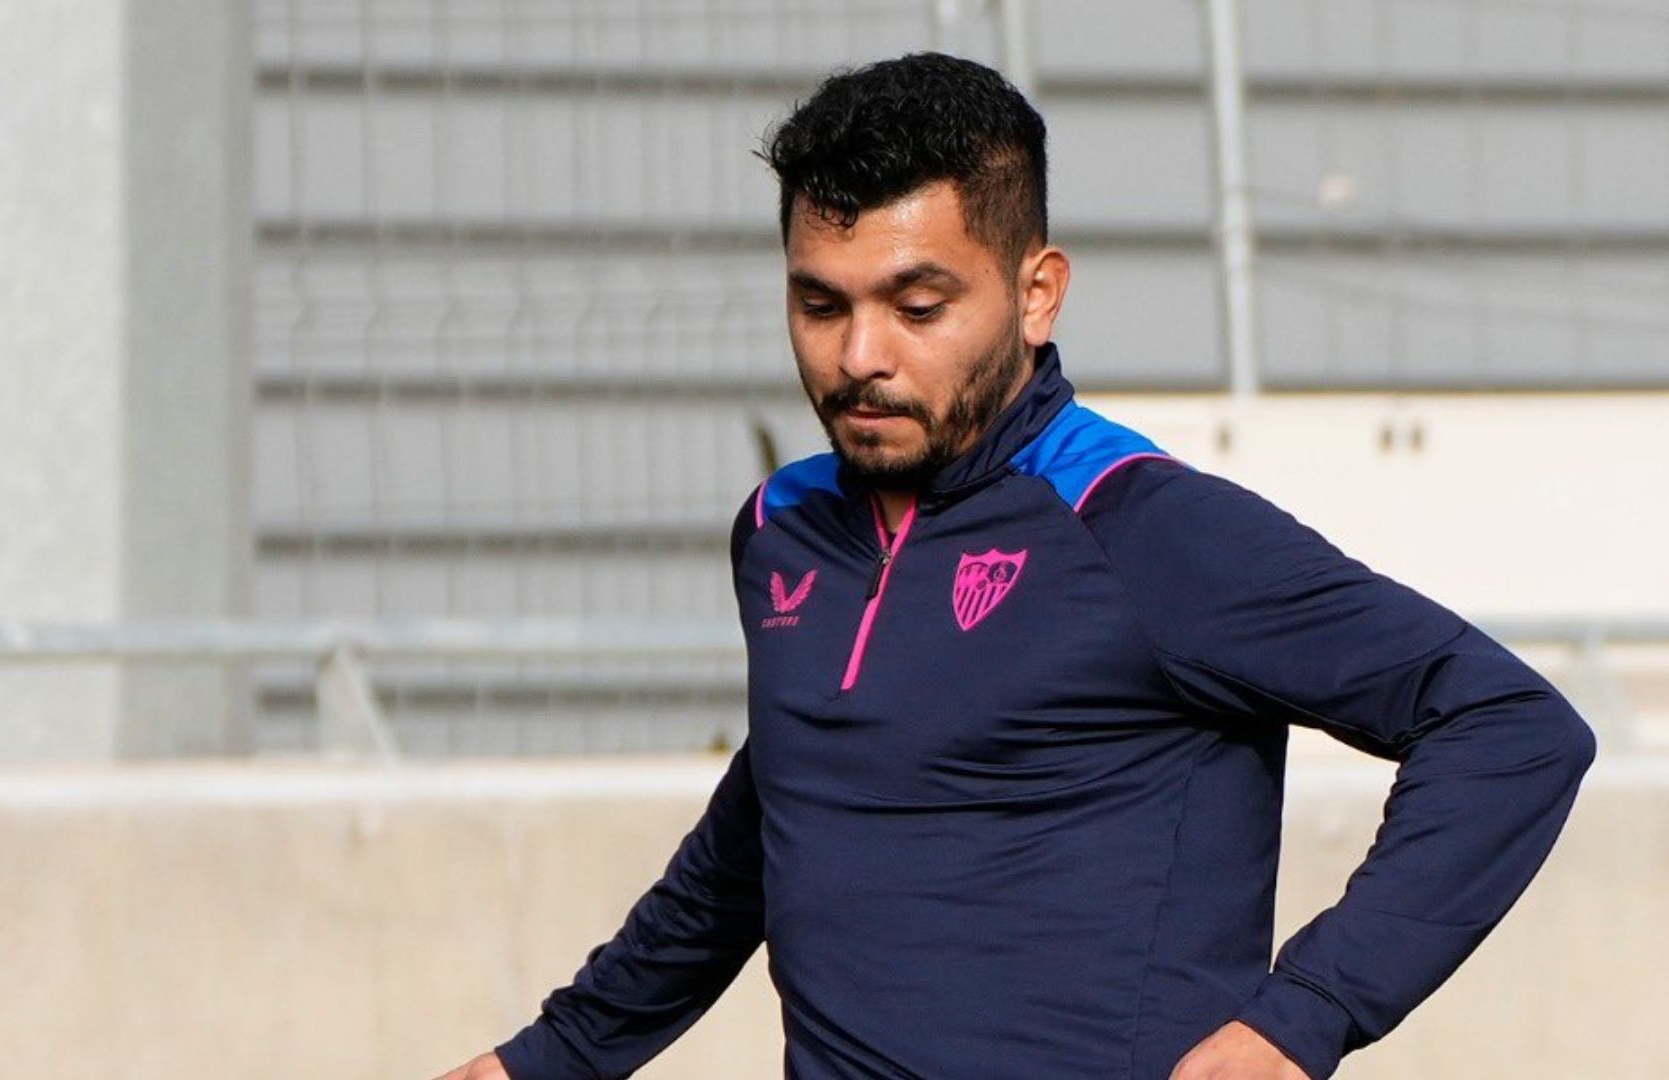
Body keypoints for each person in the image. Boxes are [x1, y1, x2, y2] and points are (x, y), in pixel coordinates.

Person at [433, 52, 1597, 1080]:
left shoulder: (1142, 528)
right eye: (819, 304)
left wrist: (1307, 1016)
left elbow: (1509, 728)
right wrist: (555, 1056)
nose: (859, 356)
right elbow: (779, 815)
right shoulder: (782, 527)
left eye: (918, 304)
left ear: (1037, 293)